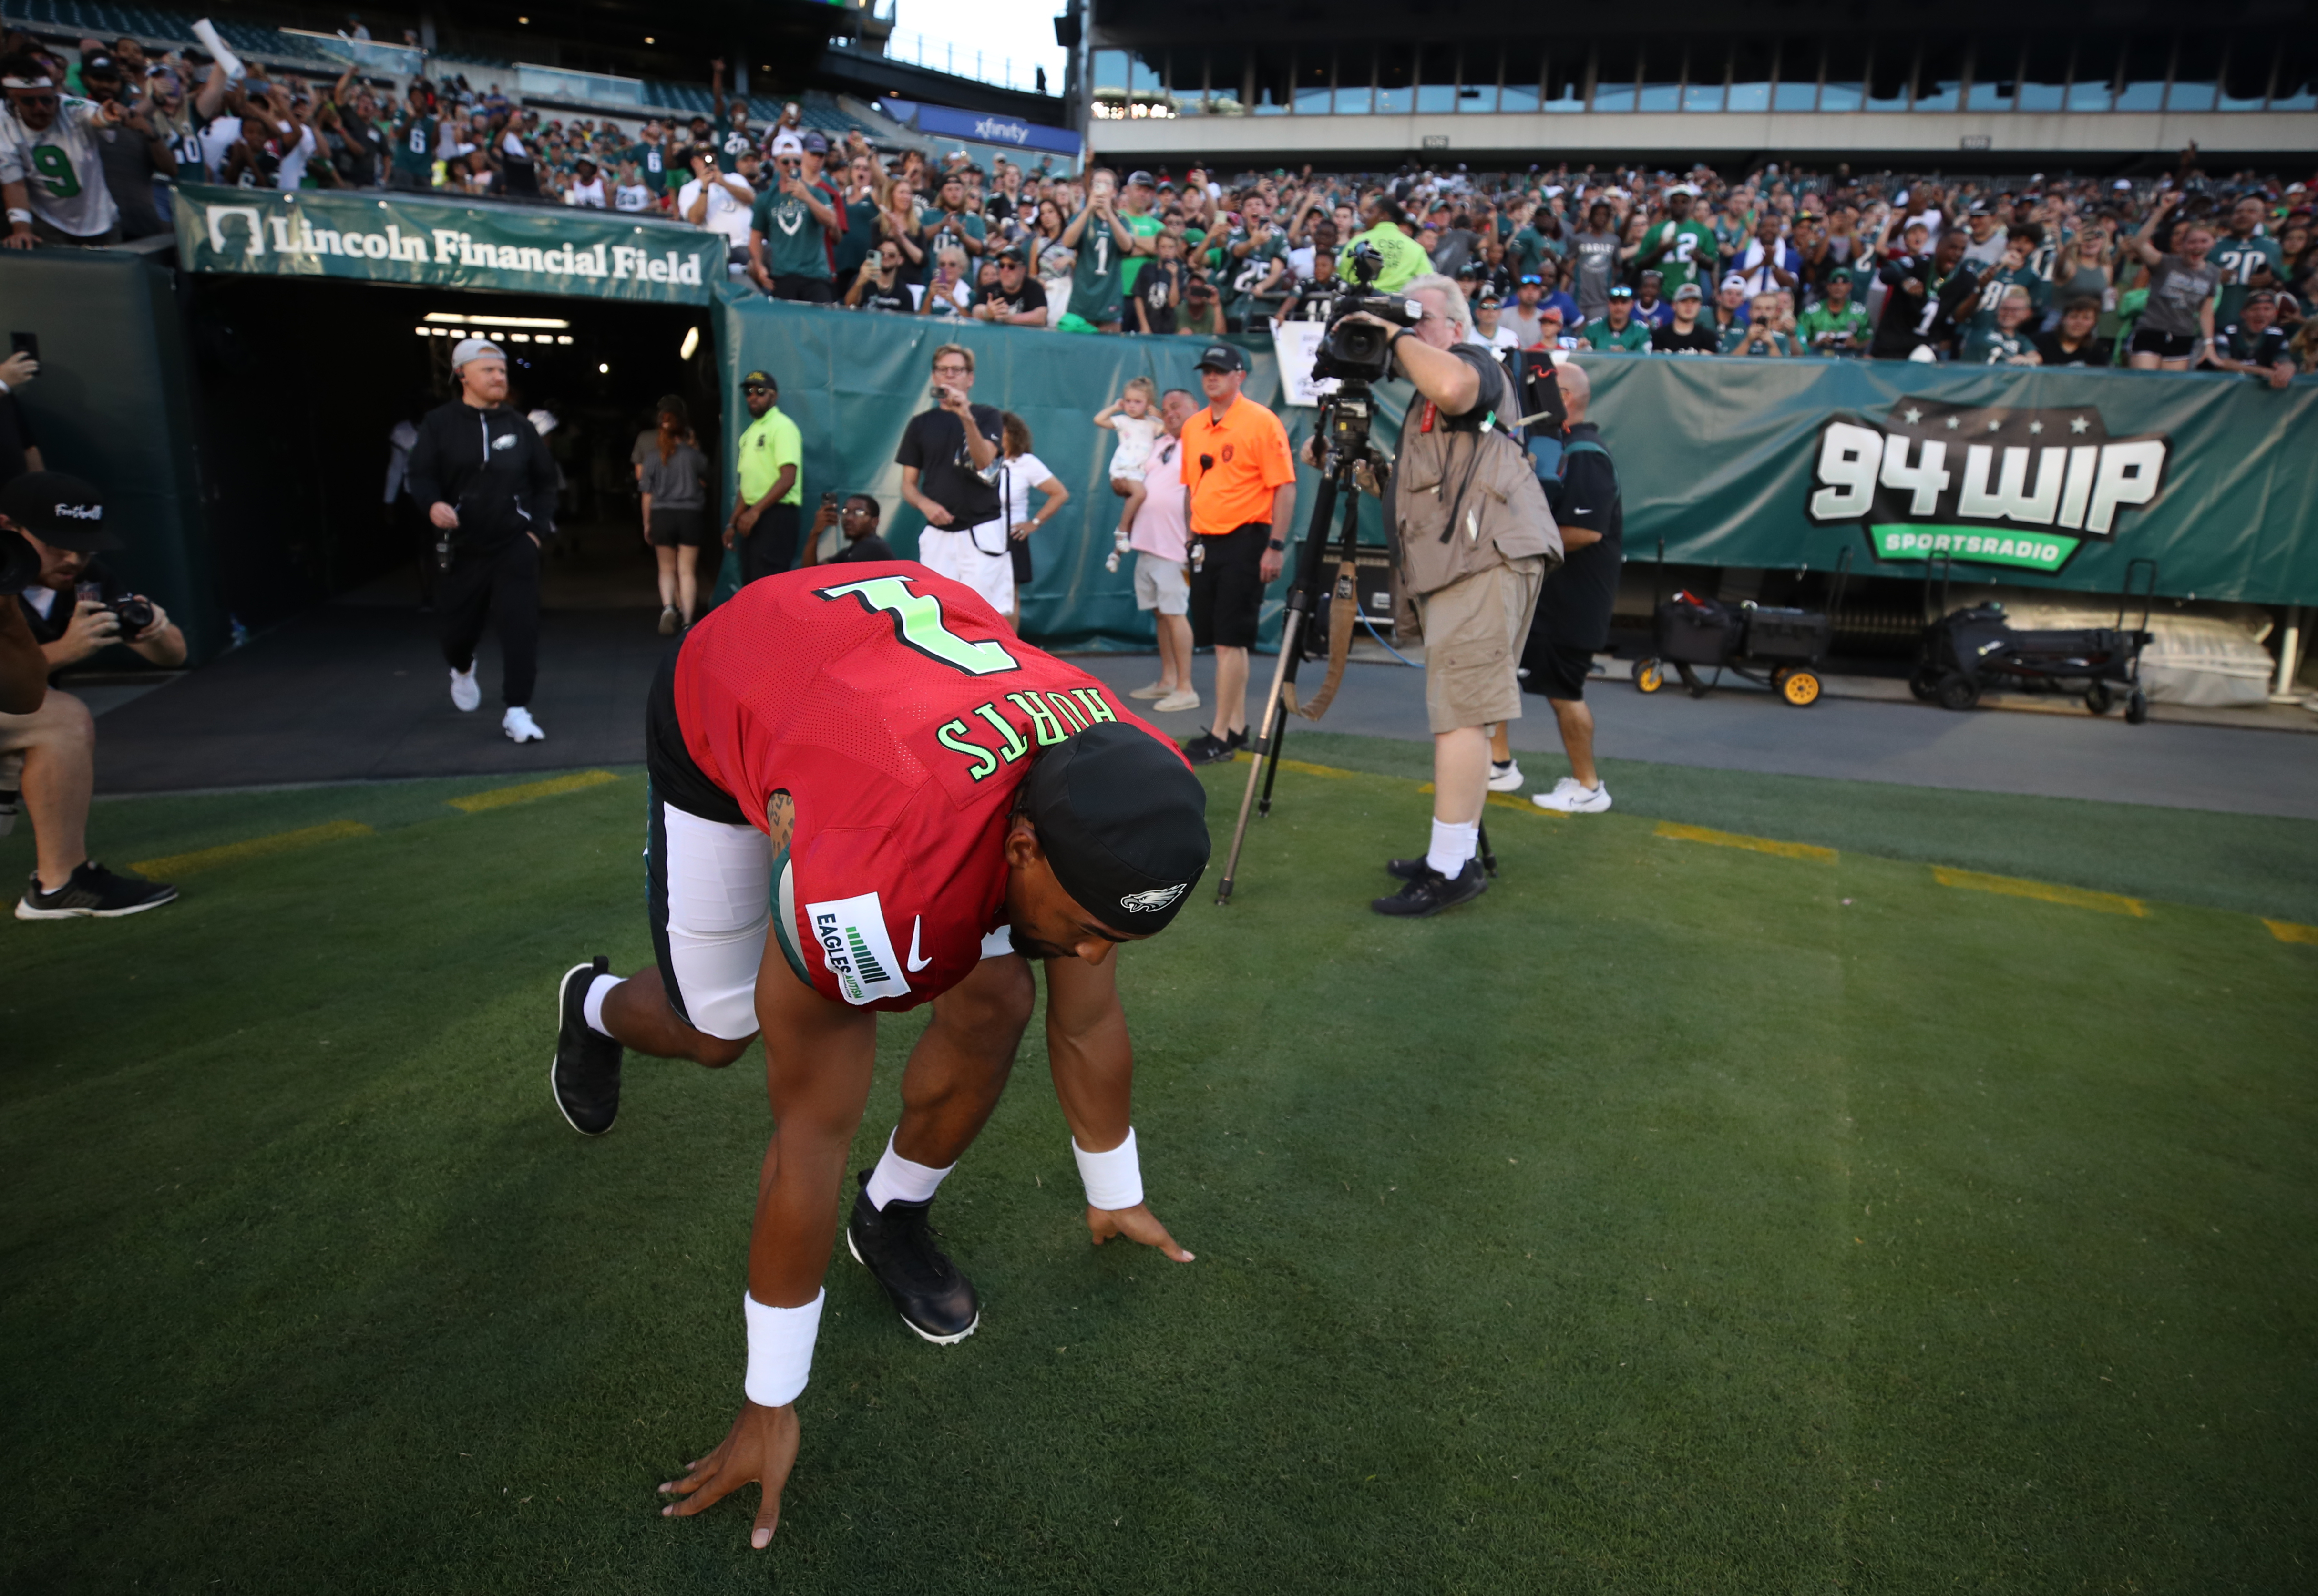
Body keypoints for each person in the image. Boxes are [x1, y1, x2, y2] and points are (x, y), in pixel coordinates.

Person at [547, 568, 1210, 1550]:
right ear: (1022, 846)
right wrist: (772, 1397)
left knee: (1001, 996)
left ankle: (892, 1212)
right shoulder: (873, 878)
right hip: (745, 681)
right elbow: (809, 1133)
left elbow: (1085, 1012)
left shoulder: (1130, 779)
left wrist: (1113, 1184)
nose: (1094, 953)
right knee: (722, 1030)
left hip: (890, 705)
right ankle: (594, 1007)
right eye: (1083, 923)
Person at [1335, 275, 1559, 915]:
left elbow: (1457, 387)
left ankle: (1449, 869)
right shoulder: (1420, 404)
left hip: (1485, 555)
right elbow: (1423, 498)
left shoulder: (1474, 364)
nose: (1396, 328)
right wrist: (1367, 469)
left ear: (1455, 329)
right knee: (1465, 710)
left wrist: (1394, 334)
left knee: (1459, 714)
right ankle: (1452, 853)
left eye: (1415, 317)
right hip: (1469, 558)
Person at [1, 471, 181, 918]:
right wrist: (64, 651)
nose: (72, 557)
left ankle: (59, 885)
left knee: (51, 724)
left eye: (83, 546)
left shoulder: (87, 579)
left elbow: (175, 653)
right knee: (60, 718)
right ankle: (61, 881)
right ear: (7, 528)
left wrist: (154, 629)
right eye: (54, 543)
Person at [405, 338, 560, 744]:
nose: (498, 377)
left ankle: (518, 710)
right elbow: (419, 477)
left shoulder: (520, 426)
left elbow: (546, 483)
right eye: (489, 371)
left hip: (514, 545)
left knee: (520, 628)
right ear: (462, 375)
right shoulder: (440, 424)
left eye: (503, 371)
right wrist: (433, 504)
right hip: (463, 548)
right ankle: (461, 667)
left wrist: (535, 531)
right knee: (457, 632)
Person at [1178, 343, 1296, 765]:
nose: (1213, 377)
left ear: (1239, 376)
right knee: (1225, 642)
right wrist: (1191, 541)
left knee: (1230, 642)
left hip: (1248, 538)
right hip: (1206, 541)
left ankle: (1221, 734)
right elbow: (1194, 488)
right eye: (1207, 370)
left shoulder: (1261, 422)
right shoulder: (1194, 426)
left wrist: (1275, 547)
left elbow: (1285, 486)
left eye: (1221, 371)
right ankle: (1238, 726)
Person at [896, 343, 1012, 618]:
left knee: (983, 614)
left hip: (981, 529)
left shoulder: (987, 416)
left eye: (956, 370)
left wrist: (965, 416)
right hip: (939, 535)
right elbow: (908, 485)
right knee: (936, 612)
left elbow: (984, 460)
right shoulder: (920, 424)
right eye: (942, 370)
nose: (949, 375)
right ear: (934, 377)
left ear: (969, 378)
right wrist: (925, 505)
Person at [1118, 388, 1199, 715]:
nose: (1170, 413)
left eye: (1177, 407)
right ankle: (1168, 679)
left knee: (1175, 613)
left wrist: (1194, 543)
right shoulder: (1161, 443)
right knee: (1160, 613)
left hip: (1175, 546)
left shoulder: (1200, 444)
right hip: (1147, 543)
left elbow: (1197, 494)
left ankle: (1186, 688)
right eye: (1165, 409)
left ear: (1196, 408)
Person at [1, 55, 123, 247]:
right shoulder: (3, 122)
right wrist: (22, 229)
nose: (40, 108)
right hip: (48, 220)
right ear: (11, 98)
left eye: (46, 100)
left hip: (99, 217)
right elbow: (13, 181)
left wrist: (109, 116)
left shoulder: (71, 108)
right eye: (29, 101)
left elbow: (97, 115)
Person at [2124, 192, 2220, 372]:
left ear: (2213, 243)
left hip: (2182, 335)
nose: (2197, 247)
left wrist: (2209, 344)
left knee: (2169, 390)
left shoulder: (2213, 273)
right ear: (2183, 245)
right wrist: (2162, 210)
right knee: (2144, 385)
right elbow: (2138, 244)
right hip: (2151, 331)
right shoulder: (2165, 263)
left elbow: (2206, 312)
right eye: (2192, 242)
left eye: (2203, 241)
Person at [640, 396, 711, 634]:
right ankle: (689, 621)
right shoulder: (695, 457)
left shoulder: (652, 459)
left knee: (666, 569)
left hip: (662, 516)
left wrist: (647, 524)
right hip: (690, 515)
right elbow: (704, 480)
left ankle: (669, 608)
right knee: (687, 571)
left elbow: (647, 495)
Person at [728, 370, 802, 585]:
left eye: (760, 391)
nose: (753, 396)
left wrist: (755, 512)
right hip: (753, 517)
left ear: (774, 396)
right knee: (751, 585)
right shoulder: (749, 434)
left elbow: (788, 478)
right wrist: (732, 523)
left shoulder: (782, 427)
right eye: (749, 392)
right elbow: (747, 486)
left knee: (769, 585)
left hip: (776, 516)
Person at [998, 412, 1068, 629]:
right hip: (978, 538)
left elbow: (1060, 494)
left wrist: (1034, 523)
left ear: (1013, 435)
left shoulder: (1026, 463)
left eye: (1000, 431)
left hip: (1010, 537)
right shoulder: (980, 461)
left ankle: (1009, 651)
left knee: (1009, 596)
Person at [749, 148, 839, 302]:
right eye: (785, 161)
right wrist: (758, 265)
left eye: (797, 161)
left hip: (816, 274)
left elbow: (831, 221)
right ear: (776, 164)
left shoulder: (818, 194)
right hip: (783, 275)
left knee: (821, 325)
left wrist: (807, 198)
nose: (792, 165)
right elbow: (755, 236)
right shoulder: (766, 199)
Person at [1060, 168, 1143, 333]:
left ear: (1114, 192)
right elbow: (1067, 241)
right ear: (1091, 189)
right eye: (1097, 184)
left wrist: (1109, 214)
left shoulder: (1122, 221)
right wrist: (1088, 209)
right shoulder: (1082, 218)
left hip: (1109, 299)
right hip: (1082, 300)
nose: (1102, 189)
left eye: (1106, 184)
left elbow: (1127, 246)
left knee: (1109, 352)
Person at [1094, 378, 1161, 565]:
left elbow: (1172, 430)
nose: (1132, 406)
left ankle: (1115, 555)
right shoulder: (1122, 420)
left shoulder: (1153, 424)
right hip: (1123, 470)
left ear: (1148, 404)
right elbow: (1098, 420)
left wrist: (1159, 415)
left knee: (1135, 510)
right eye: (1128, 401)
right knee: (1140, 494)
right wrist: (1115, 408)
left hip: (1140, 473)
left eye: (1138, 402)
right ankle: (1121, 531)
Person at [680, 147, 756, 279]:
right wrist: (705, 188)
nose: (709, 161)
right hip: (726, 249)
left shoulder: (734, 178)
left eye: (712, 157)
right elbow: (695, 219)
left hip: (754, 244)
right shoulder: (689, 189)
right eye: (704, 158)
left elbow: (751, 198)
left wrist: (723, 182)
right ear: (694, 162)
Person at [2206, 290, 2295, 389]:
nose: (2261, 314)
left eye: (2267, 309)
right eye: (2255, 309)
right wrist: (2263, 372)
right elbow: (2222, 363)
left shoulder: (2278, 335)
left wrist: (2288, 369)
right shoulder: (2227, 332)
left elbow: (2285, 361)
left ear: (2275, 314)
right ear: (2243, 314)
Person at [797, 492, 892, 566]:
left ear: (874, 522)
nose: (849, 518)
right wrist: (815, 533)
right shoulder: (850, 552)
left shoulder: (872, 547)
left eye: (859, 513)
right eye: (845, 511)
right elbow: (810, 574)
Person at [1796, 269, 1870, 356]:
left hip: (1849, 360)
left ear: (1850, 286)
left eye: (1844, 282)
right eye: (1834, 282)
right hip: (1816, 360)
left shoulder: (1860, 312)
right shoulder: (1810, 312)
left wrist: (1856, 344)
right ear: (1828, 286)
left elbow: (1868, 341)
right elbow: (1799, 346)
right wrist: (1818, 344)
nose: (1839, 286)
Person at [2033, 296, 2113, 367]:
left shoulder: (2097, 351)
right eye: (2074, 317)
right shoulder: (2039, 342)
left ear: (2094, 323)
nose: (2078, 323)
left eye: (2086, 318)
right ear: (2063, 319)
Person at [971, 251, 1047, 325]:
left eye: (1011, 267)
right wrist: (988, 313)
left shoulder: (1034, 288)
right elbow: (977, 311)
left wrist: (1008, 319)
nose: (1005, 270)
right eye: (1002, 266)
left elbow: (1041, 317)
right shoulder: (989, 289)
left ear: (1023, 271)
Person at [1651, 283, 1720, 354]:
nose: (1689, 306)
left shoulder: (1708, 337)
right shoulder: (1659, 336)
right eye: (1684, 301)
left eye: (1694, 302)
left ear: (1700, 306)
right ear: (1674, 306)